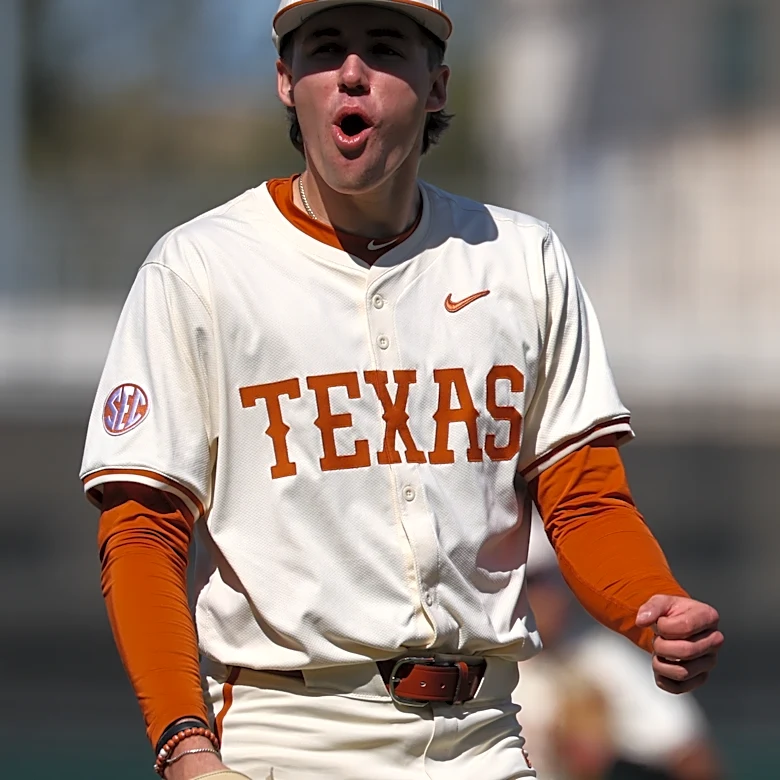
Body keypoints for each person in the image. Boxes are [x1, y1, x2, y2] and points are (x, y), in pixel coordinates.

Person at [79, 2, 724, 779]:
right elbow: (144, 531)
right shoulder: (201, 271)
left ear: (437, 86)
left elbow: (583, 499)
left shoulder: (519, 260)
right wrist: (185, 747)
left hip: (486, 736)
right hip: (290, 736)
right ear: (287, 81)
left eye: (384, 48)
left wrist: (650, 603)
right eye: (325, 49)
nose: (352, 72)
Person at [512, 517, 725, 780]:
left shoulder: (602, 656)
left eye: (551, 579)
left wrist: (601, 759)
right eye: (528, 581)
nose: (545, 594)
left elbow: (690, 754)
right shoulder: (471, 661)